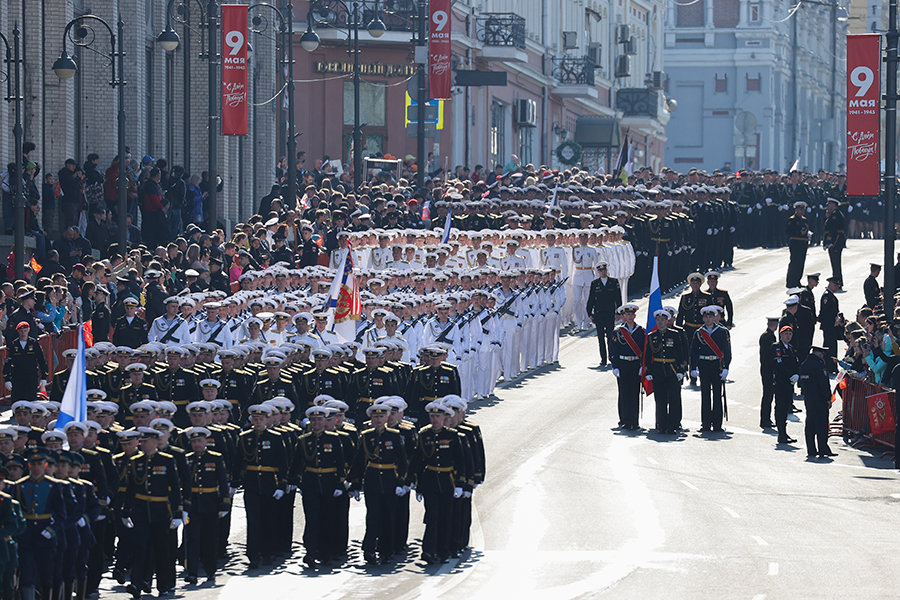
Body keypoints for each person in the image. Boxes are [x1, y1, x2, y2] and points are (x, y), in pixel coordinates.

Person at [120, 427, 182, 599]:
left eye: (146, 441)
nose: (143, 444)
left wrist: (178, 513)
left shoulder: (167, 460)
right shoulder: (135, 461)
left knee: (161, 549)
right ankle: (136, 584)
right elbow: (131, 488)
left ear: (155, 442)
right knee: (139, 548)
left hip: (161, 510)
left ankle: (163, 585)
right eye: (142, 441)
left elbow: (175, 489)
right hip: (140, 510)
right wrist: (126, 511)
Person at [346, 403, 408, 565]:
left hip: (390, 480)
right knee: (372, 517)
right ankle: (369, 549)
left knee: (388, 516)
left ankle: (387, 550)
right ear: (371, 419)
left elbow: (402, 462)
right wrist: (355, 483)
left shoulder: (395, 436)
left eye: (381, 417)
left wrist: (401, 482)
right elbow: (359, 461)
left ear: (386, 418)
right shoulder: (366, 436)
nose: (378, 420)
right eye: (375, 417)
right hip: (372, 481)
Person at [232, 404, 287, 570]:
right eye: (255, 419)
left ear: (267, 420)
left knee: (269, 518)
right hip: (252, 483)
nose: (258, 422)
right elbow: (238, 461)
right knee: (253, 520)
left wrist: (282, 485)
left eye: (261, 419)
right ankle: (253, 554)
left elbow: (282, 463)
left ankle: (268, 552)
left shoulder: (276, 437)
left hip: (270, 482)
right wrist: (234, 482)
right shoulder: (244, 437)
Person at [408, 402, 464, 565]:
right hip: (430, 481)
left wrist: (460, 483)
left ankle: (443, 550)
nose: (434, 419)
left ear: (443, 418)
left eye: (437, 416)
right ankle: (428, 550)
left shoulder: (452, 435)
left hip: (447, 481)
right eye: (432, 416)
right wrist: (413, 483)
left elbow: (460, 461)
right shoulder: (424, 434)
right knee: (432, 517)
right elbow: (417, 460)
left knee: (445, 518)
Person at [182, 427, 229, 584]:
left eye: (199, 441)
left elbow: (222, 482)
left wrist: (224, 504)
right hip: (192, 504)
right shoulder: (187, 458)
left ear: (206, 441)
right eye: (193, 441)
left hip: (211, 503)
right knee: (192, 538)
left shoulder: (216, 458)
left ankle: (210, 569)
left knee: (209, 539)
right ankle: (192, 572)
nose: (196, 444)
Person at [643, 309, 687, 435]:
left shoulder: (674, 335)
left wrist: (681, 369)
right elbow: (647, 355)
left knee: (674, 398)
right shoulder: (652, 336)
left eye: (663, 320)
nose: (660, 322)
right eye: (658, 320)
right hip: (658, 371)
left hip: (672, 370)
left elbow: (680, 353)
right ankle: (662, 425)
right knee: (660, 399)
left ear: (667, 321)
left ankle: (673, 425)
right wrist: (648, 371)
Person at [689, 305, 731, 432]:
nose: (708, 319)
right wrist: (693, 368)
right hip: (704, 365)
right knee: (705, 395)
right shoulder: (698, 333)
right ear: (703, 318)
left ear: (715, 317)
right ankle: (705, 424)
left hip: (716, 365)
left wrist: (726, 367)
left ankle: (717, 424)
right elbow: (694, 351)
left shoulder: (723, 332)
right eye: (706, 317)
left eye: (710, 317)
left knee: (717, 395)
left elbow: (727, 351)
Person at [609, 304, 644, 430]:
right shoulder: (617, 331)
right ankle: (624, 420)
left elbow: (644, 350)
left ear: (634, 316)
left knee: (634, 392)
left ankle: (634, 421)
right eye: (627, 314)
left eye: (631, 314)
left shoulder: (641, 331)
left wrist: (642, 366)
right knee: (624, 393)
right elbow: (613, 350)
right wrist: (615, 366)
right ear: (624, 316)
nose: (629, 317)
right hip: (623, 365)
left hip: (635, 364)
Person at [798, 346, 836, 458]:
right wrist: (828, 398)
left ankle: (811, 449)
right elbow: (824, 384)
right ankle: (822, 449)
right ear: (820, 355)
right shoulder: (819, 366)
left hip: (809, 399)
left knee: (810, 425)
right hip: (820, 399)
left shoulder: (804, 364)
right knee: (822, 425)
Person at [675, 273, 711, 386]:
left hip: (702, 329)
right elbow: (681, 315)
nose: (695, 285)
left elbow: (712, 314)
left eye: (697, 283)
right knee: (690, 352)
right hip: (689, 329)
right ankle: (692, 376)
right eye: (693, 283)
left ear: (700, 284)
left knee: (703, 352)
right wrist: (679, 330)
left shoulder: (707, 297)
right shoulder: (685, 298)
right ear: (690, 284)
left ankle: (704, 375)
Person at [585, 262, 621, 366]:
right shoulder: (595, 283)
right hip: (599, 313)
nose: (603, 272)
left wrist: (618, 312)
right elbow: (591, 299)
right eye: (600, 271)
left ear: (607, 270)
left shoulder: (614, 282)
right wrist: (589, 313)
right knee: (600, 337)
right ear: (598, 272)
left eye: (604, 270)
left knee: (610, 336)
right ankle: (603, 358)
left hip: (610, 313)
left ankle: (611, 356)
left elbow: (618, 299)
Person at [3, 322, 48, 402]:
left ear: (28, 330)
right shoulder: (14, 345)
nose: (23, 333)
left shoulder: (34, 343)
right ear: (18, 331)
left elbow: (41, 361)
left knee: (31, 401)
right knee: (17, 401)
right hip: (17, 377)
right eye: (21, 331)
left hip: (31, 377)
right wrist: (7, 379)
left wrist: (44, 377)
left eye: (25, 330)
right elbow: (8, 362)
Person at [772, 325, 800, 445]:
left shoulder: (791, 348)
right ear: (781, 335)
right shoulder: (776, 348)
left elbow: (796, 363)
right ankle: (781, 433)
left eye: (790, 334)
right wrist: (790, 375)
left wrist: (797, 374)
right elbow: (778, 365)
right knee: (780, 407)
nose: (788, 336)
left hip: (789, 383)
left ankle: (784, 432)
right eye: (785, 334)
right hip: (781, 381)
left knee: (786, 407)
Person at [818, 276, 843, 373]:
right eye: (835, 285)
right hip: (829, 326)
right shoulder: (827, 296)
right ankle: (829, 366)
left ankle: (832, 366)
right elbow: (824, 312)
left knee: (832, 346)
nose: (837, 287)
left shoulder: (831, 296)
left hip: (832, 326)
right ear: (831, 284)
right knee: (829, 346)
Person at [759, 316, 779, 429]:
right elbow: (770, 356)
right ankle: (765, 419)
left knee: (768, 394)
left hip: (766, 368)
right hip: (768, 369)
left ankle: (766, 418)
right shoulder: (769, 337)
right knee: (768, 394)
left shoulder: (767, 336)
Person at [785, 200, 809, 288]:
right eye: (800, 210)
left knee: (801, 263)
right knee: (794, 262)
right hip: (795, 242)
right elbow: (788, 231)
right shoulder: (792, 220)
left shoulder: (804, 219)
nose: (802, 211)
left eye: (803, 210)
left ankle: (797, 280)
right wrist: (799, 232)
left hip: (803, 243)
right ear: (796, 210)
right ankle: (791, 281)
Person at [822, 197, 845, 283]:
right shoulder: (833, 215)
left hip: (836, 240)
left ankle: (837, 280)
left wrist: (830, 242)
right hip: (835, 239)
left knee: (836, 262)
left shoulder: (835, 215)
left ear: (833, 205)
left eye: (829, 205)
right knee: (834, 262)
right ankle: (837, 280)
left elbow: (833, 231)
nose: (827, 207)